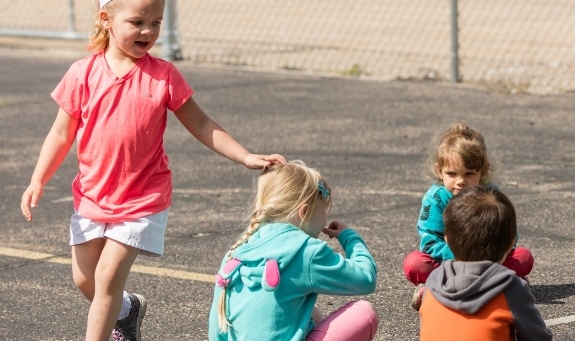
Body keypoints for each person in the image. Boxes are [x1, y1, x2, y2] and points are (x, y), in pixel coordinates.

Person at [18, 0, 284, 340]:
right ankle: (128, 311)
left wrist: (245, 156)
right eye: (137, 21)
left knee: (106, 279)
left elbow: (201, 124)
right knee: (85, 280)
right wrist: (37, 179)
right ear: (106, 20)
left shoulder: (164, 75)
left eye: (156, 22)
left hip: (143, 199)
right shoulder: (82, 74)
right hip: (93, 196)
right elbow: (60, 134)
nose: (148, 31)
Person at [208, 161, 378, 341]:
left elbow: (216, 326)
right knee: (365, 312)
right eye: (324, 213)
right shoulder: (305, 250)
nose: (323, 224)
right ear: (304, 212)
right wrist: (350, 238)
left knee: (311, 311)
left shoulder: (236, 251)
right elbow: (365, 279)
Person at [402, 121, 534, 310]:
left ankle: (441, 289)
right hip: (449, 264)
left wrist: (490, 256)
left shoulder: (490, 195)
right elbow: (429, 242)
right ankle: (502, 284)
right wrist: (464, 259)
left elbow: (509, 236)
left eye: (469, 173)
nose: (461, 181)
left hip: (488, 263)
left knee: (523, 257)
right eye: (452, 173)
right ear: (440, 170)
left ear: (483, 171)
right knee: (414, 263)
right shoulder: (435, 199)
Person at [419, 185, 552, 341]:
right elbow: (539, 338)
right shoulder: (510, 287)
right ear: (510, 245)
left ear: (446, 240)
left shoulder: (433, 281)